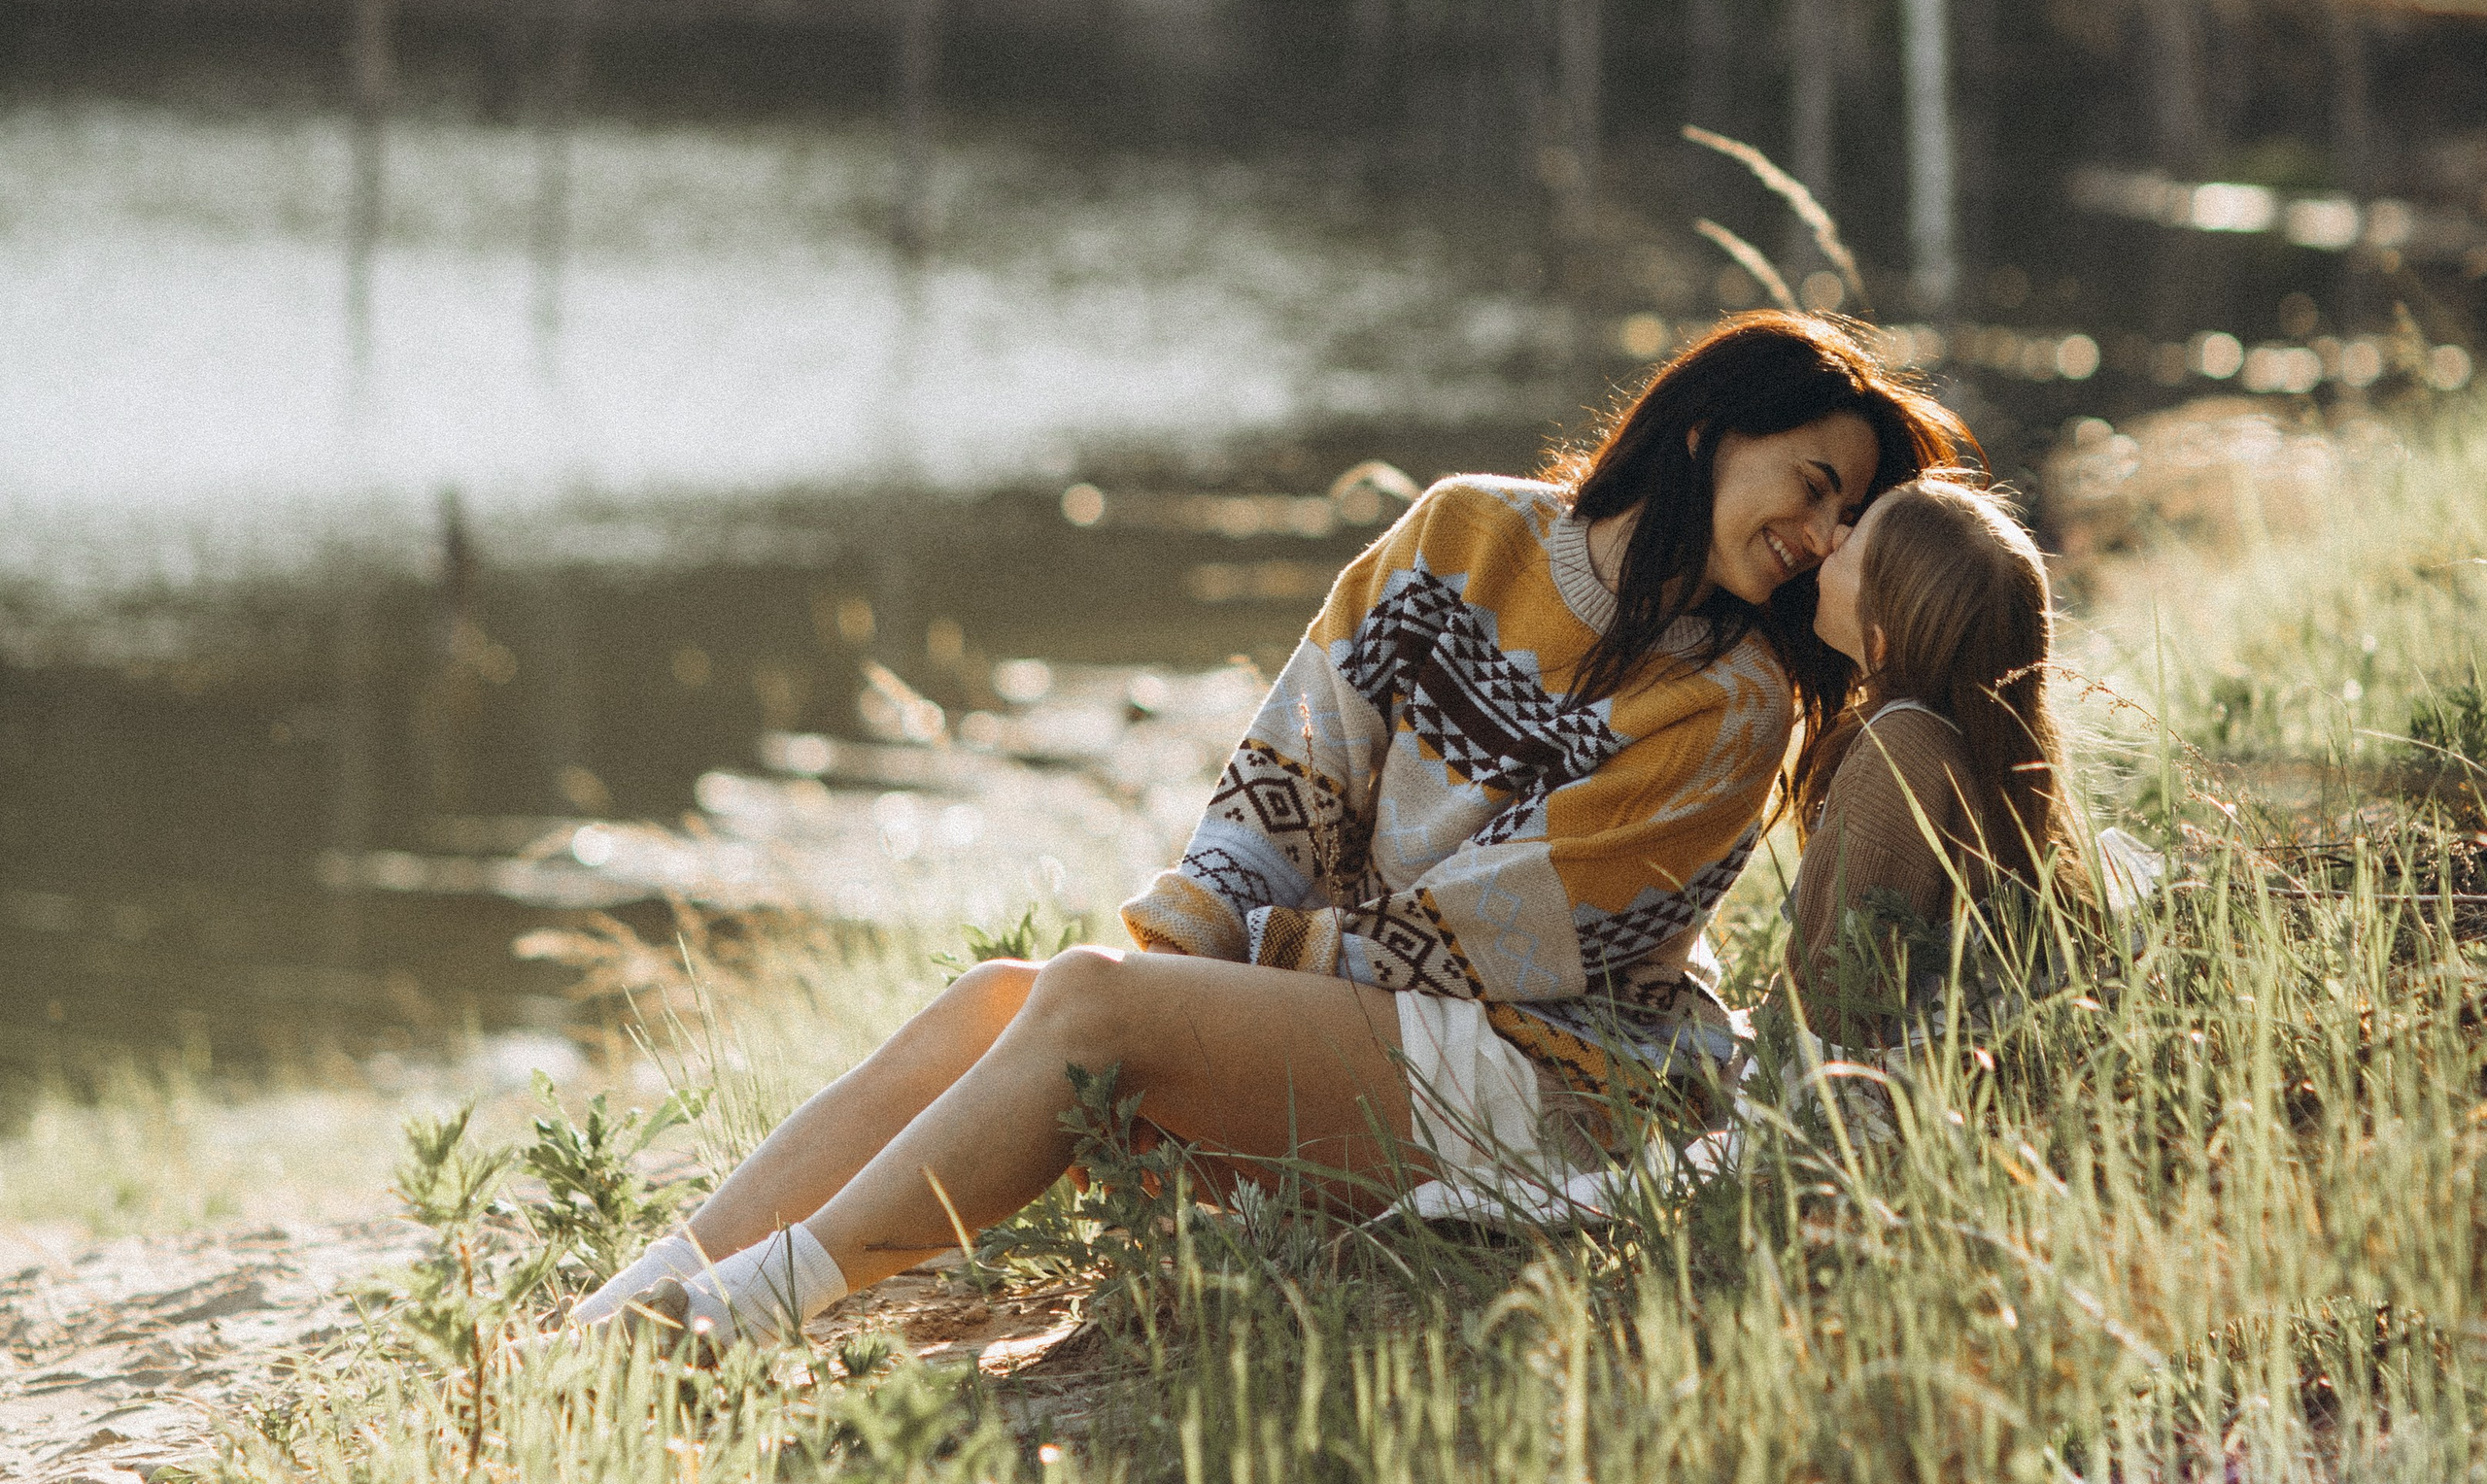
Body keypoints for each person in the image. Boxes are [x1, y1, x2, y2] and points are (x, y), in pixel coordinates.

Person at [577, 313, 1970, 1347]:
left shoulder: (1734, 705)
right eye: (1814, 483)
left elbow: (1480, 949)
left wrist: (1180, 1007)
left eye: (1850, 512)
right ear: (1706, 431)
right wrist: (1171, 959)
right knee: (1014, 999)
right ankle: (635, 1304)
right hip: (1396, 1034)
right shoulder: (1460, 536)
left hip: (1567, 1084)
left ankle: (741, 1319)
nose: (1822, 529)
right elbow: (1281, 790)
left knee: (1095, 1013)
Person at [1787, 471, 2092, 1048]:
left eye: (1851, 541)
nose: (1831, 539)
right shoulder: (1973, 745)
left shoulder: (1902, 753)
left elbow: (1830, 1004)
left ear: (1880, 638)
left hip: (1866, 1112)